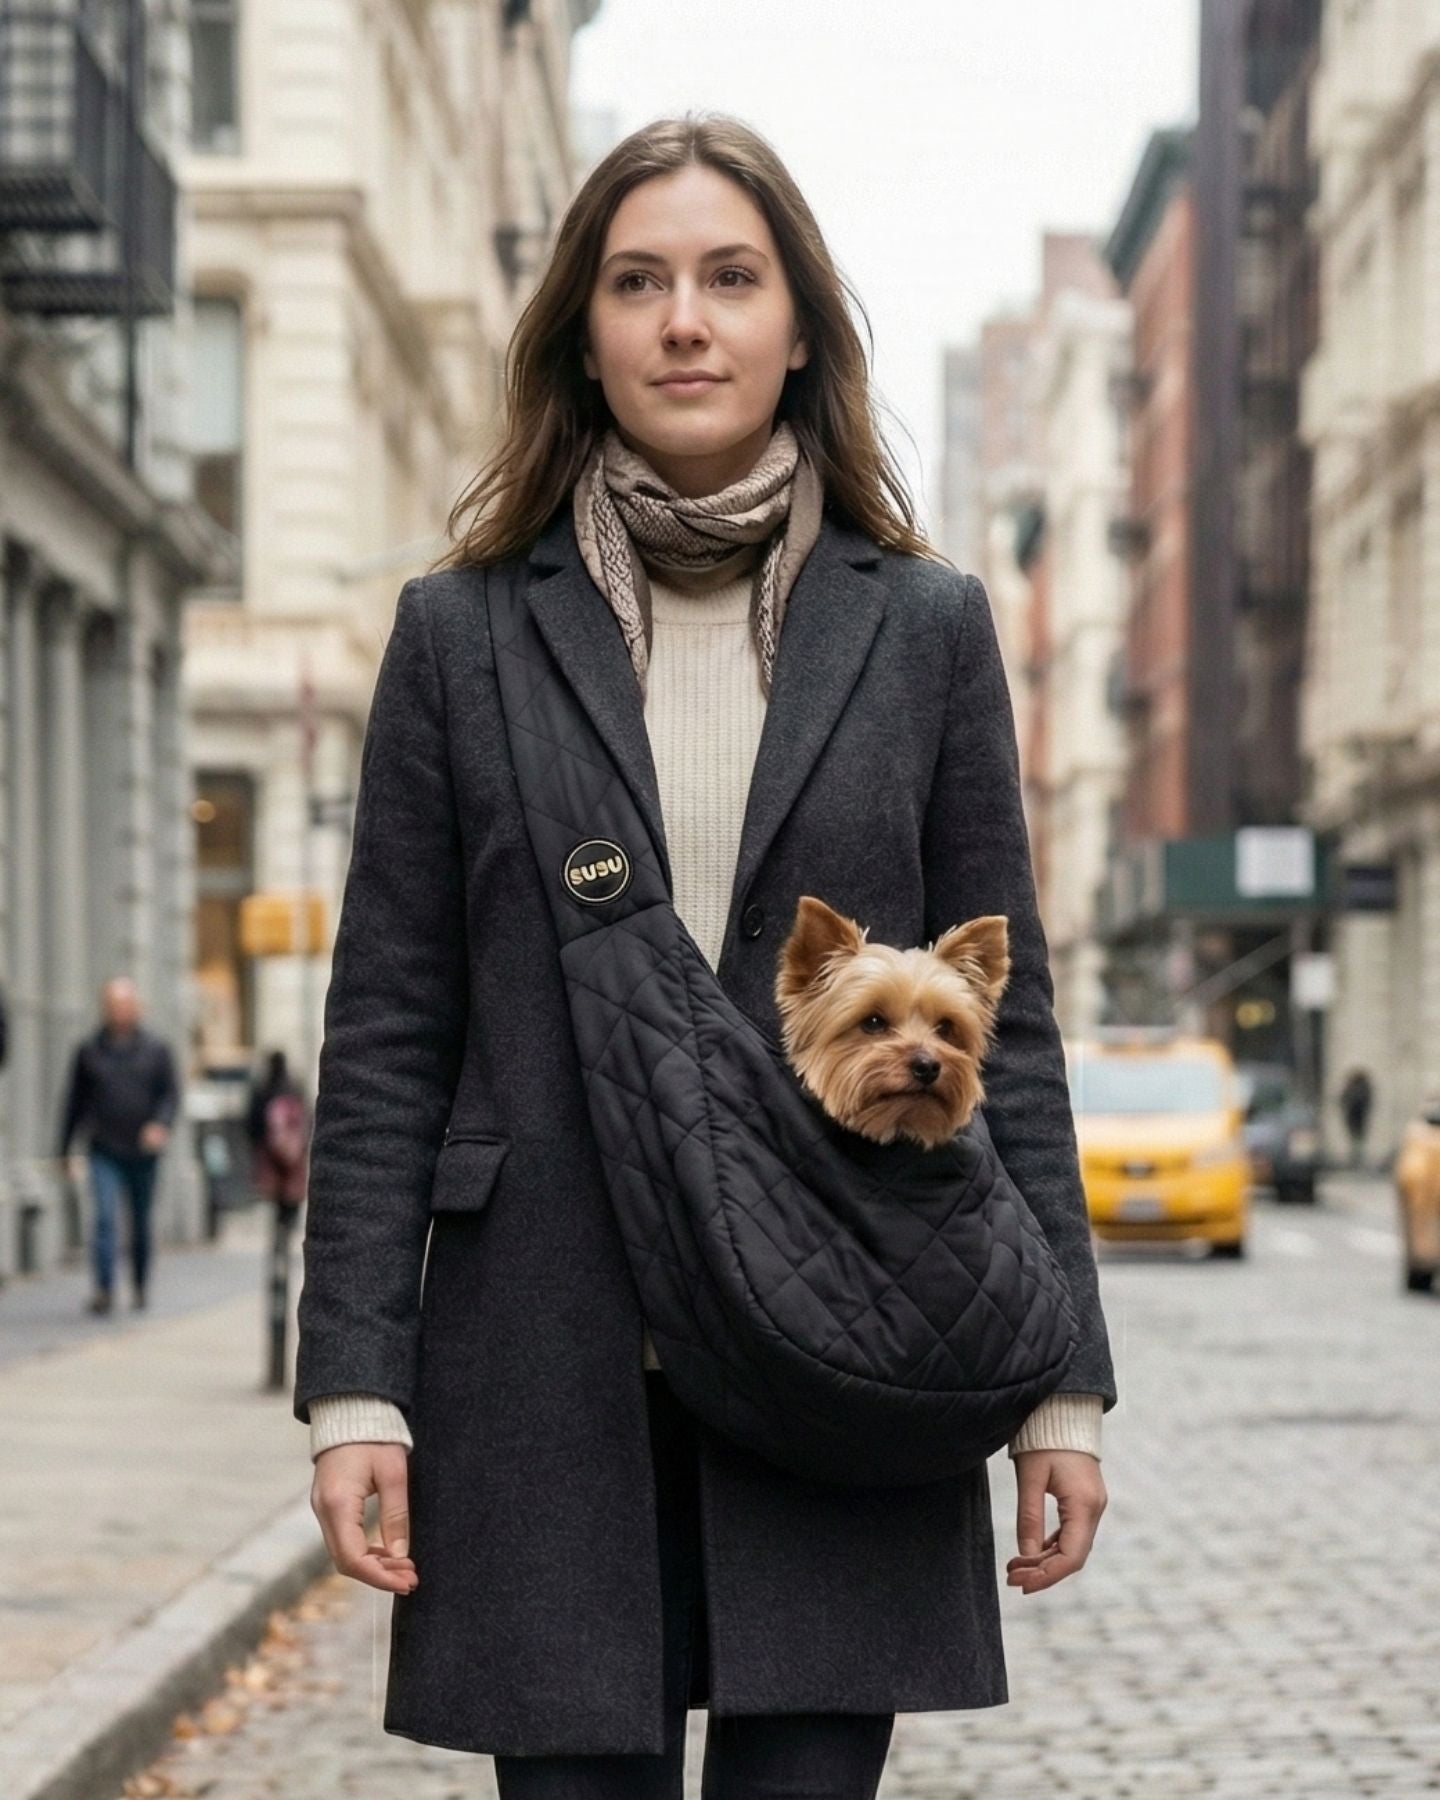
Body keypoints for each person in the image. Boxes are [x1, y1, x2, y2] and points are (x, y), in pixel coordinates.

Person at [296, 114, 1116, 1798]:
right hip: (542, 1355)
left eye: (730, 279)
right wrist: (356, 1388)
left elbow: (1006, 1027)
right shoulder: (461, 634)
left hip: (852, 1335)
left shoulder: (926, 626)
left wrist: (1063, 1393)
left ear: (796, 324)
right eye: (640, 280)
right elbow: (389, 1027)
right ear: (584, 334)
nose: (686, 319)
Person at [58, 976, 179, 1315]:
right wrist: (65, 1148)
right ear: (104, 1009)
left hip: (143, 1151)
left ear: (136, 1008)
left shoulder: (157, 1049)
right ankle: (104, 1289)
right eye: (113, 1005)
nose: (119, 1011)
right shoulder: (89, 1050)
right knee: (105, 1219)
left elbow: (170, 1095)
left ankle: (140, 1284)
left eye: (125, 1004)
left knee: (140, 1223)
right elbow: (74, 1103)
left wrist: (160, 1125)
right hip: (103, 1147)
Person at [245, 1049, 311, 1209]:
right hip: (294, 1152)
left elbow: (253, 1120)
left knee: (275, 1194)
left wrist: (255, 1144)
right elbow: (306, 1117)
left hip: (269, 1151)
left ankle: (280, 1225)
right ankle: (286, 1221)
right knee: (291, 1194)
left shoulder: (263, 1088)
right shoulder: (295, 1087)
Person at [1339, 1066, 1374, 1171]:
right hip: (1355, 1116)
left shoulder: (1360, 1088)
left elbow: (1343, 1100)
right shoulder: (1359, 1088)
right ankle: (1356, 1158)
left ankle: (1357, 1158)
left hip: (1357, 1116)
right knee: (1356, 1138)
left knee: (1357, 1139)